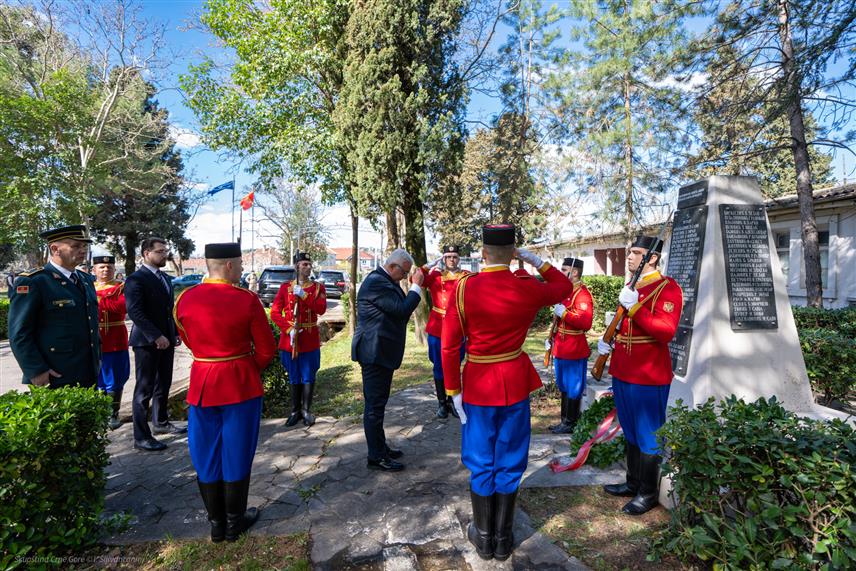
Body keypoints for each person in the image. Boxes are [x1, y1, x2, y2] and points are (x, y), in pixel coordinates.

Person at [442, 224, 572, 561]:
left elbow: (449, 346)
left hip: (478, 383)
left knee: (480, 459)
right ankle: (503, 538)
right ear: (513, 253)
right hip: (513, 380)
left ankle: (484, 537)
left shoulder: (463, 288)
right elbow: (564, 286)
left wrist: (453, 389)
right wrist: (537, 262)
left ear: (483, 253)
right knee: (511, 458)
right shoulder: (526, 286)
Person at [174, 242, 277, 543]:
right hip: (239, 384)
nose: (242, 269)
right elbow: (267, 349)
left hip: (202, 381)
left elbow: (188, 340)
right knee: (237, 450)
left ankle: (217, 524)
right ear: (230, 265)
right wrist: (245, 368)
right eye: (241, 264)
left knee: (205, 451)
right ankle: (235, 522)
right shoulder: (247, 299)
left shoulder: (184, 299)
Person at [598, 235, 682, 515]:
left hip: (648, 374)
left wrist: (634, 307)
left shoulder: (667, 287)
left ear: (652, 258)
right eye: (630, 252)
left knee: (648, 435)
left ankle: (647, 493)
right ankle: (633, 482)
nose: (630, 257)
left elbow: (665, 332)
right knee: (631, 429)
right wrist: (607, 341)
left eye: (636, 252)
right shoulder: (632, 286)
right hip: (624, 370)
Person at [351, 248, 424, 472]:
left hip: (381, 351)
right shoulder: (376, 282)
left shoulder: (385, 281)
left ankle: (380, 447)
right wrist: (416, 286)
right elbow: (402, 310)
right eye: (404, 272)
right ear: (393, 266)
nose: (405, 276)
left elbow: (398, 311)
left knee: (378, 404)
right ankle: (376, 457)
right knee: (374, 407)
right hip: (374, 352)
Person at [8, 225, 100, 389]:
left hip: (88, 370)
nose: (82, 250)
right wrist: (36, 370)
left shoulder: (85, 279)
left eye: (84, 246)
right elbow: (19, 333)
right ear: (55, 249)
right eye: (75, 246)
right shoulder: (34, 281)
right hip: (54, 374)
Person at [125, 237, 186, 452]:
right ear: (146, 253)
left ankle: (160, 422)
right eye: (160, 251)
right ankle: (141, 437)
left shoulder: (165, 278)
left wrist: (174, 333)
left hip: (166, 339)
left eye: (165, 251)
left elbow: (169, 311)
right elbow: (135, 312)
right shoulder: (136, 279)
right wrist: (156, 336)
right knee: (144, 389)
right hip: (146, 342)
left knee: (164, 383)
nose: (164, 255)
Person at [270, 252, 327, 427]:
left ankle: (306, 410)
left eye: (309, 264)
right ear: (297, 267)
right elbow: (274, 312)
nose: (308, 267)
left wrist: (303, 295)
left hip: (309, 339)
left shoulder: (317, 288)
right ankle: (295, 411)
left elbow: (321, 309)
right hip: (291, 340)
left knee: (308, 375)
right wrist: (288, 330)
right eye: (304, 264)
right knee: (294, 375)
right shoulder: (285, 287)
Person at [419, 245, 471, 418]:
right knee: (438, 366)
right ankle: (442, 403)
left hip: (457, 328)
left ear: (459, 258)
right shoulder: (435, 275)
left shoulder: (466, 276)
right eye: (448, 256)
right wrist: (427, 266)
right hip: (438, 328)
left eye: (454, 256)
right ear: (443, 258)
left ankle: (453, 401)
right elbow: (415, 279)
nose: (451, 260)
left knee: (455, 365)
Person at [547, 257, 593, 434]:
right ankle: (563, 421)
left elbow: (585, 323)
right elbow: (558, 321)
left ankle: (571, 422)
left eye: (564, 269)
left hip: (574, 348)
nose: (561, 272)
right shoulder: (566, 291)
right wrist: (551, 338)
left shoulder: (582, 294)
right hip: (561, 346)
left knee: (573, 386)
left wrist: (565, 313)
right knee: (563, 385)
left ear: (574, 272)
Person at [93, 255, 130, 429]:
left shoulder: (122, 287)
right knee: (96, 376)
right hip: (93, 338)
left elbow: (122, 307)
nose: (105, 270)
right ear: (94, 270)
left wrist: (99, 300)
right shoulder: (87, 286)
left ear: (114, 269)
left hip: (115, 337)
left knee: (115, 375)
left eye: (109, 267)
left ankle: (112, 414)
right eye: (101, 267)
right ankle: (98, 413)